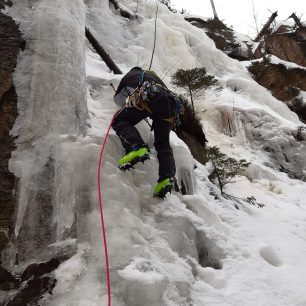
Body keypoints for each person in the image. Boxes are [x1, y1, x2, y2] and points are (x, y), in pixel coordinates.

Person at [112, 67, 178, 198]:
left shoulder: (130, 77)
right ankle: (167, 177)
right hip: (171, 104)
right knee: (162, 144)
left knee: (120, 120)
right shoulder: (152, 76)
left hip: (151, 96)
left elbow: (118, 99)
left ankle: (135, 147)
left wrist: (125, 106)